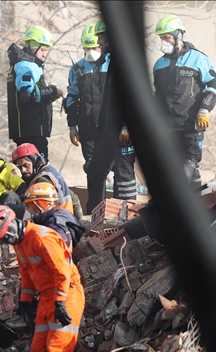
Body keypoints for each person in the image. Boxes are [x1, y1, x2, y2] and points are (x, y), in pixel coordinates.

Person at [0, 205, 84, 352]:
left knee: (57, 346)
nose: (4, 241)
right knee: (38, 349)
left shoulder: (41, 237)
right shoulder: (21, 244)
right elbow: (27, 275)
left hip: (67, 292)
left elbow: (62, 272)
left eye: (4, 236)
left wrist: (60, 303)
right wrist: (25, 301)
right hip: (48, 296)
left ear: (11, 224)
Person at [66, 22, 137, 212]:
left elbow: (133, 96)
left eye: (100, 40)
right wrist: (73, 125)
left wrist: (127, 125)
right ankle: (95, 212)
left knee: (122, 172)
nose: (98, 43)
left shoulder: (121, 62)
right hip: (100, 128)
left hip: (121, 128)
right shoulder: (80, 69)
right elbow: (72, 97)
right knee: (95, 169)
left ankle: (124, 212)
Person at [152, 14, 216, 187]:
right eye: (161, 38)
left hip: (191, 125)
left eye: (167, 37)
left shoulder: (198, 59)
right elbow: (158, 96)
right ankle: (195, 206)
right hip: (167, 128)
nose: (164, 42)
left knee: (188, 167)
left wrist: (205, 109)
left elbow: (213, 85)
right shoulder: (159, 65)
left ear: (179, 36)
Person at [6, 25, 63, 161]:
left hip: (26, 129)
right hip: (32, 131)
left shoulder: (20, 64)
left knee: (28, 169)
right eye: (42, 49)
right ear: (33, 46)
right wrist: (51, 90)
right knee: (41, 167)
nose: (44, 54)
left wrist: (48, 97)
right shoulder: (26, 65)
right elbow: (26, 95)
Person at [12, 143, 83, 219]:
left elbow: (38, 210)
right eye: (20, 167)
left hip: (54, 223)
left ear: (35, 161)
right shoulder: (51, 172)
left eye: (26, 165)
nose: (23, 170)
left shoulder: (41, 180)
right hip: (65, 221)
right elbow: (74, 198)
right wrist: (79, 221)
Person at [22, 182, 85, 250]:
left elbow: (55, 250)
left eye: (28, 205)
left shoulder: (54, 225)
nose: (26, 209)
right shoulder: (61, 214)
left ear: (39, 205)